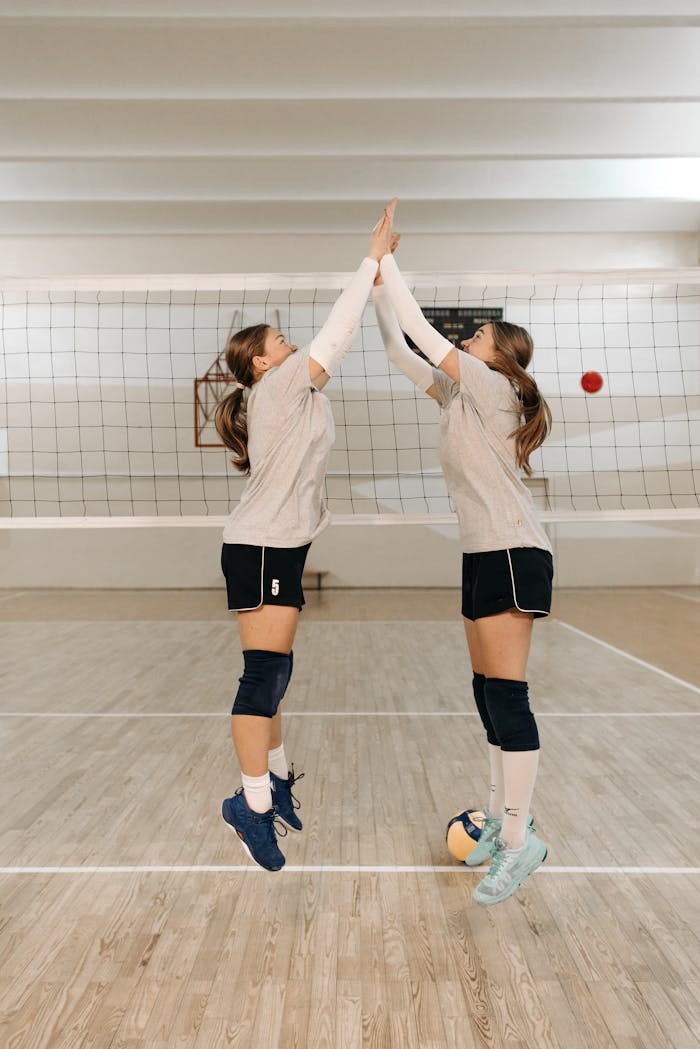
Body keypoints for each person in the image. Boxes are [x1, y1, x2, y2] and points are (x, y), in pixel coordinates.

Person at [374, 228, 553, 905]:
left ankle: (520, 840)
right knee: (486, 692)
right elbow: (401, 350)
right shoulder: (462, 395)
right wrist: (377, 294)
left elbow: (423, 331)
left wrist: (386, 260)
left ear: (499, 355)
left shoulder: (491, 383)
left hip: (512, 550)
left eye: (478, 335)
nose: (469, 340)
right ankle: (505, 822)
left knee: (507, 694)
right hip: (482, 554)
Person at [216, 203, 395, 871]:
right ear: (261, 361)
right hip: (262, 545)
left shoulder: (294, 394)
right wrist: (370, 263)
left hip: (279, 545)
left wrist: (381, 283)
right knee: (263, 675)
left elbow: (336, 342)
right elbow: (337, 332)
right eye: (280, 340)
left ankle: (275, 777)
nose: (290, 345)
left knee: (276, 672)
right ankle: (250, 805)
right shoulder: (280, 385)